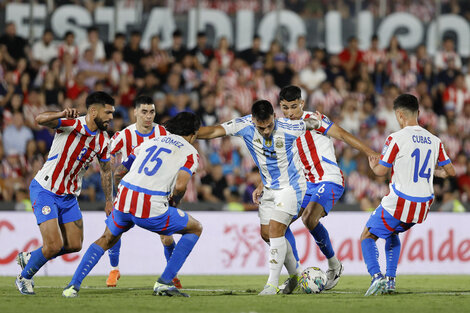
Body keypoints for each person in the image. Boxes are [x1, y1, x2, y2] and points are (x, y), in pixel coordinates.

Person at [62, 112, 202, 298]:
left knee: (106, 239)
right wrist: (175, 201)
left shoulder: (151, 141)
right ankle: (164, 282)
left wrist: (124, 193)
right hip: (150, 206)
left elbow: (120, 172)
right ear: (193, 134)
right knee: (195, 228)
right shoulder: (190, 152)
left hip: (125, 198)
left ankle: (72, 286)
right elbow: (181, 185)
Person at [258, 85, 377, 291]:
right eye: (285, 108)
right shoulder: (282, 128)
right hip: (304, 185)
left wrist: (370, 152)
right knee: (273, 229)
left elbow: (342, 135)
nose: (289, 112)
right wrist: (262, 183)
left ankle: (334, 264)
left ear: (301, 104)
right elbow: (278, 161)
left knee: (309, 218)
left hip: (328, 178)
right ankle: (295, 273)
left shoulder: (314, 119)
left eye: (294, 107)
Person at [197, 99, 322, 295]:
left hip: (292, 187)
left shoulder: (288, 126)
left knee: (275, 230)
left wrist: (316, 120)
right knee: (266, 234)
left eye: (269, 125)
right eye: (261, 127)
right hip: (269, 189)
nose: (266, 131)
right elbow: (213, 131)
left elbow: (311, 124)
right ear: (253, 119)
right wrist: (186, 134)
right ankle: (296, 275)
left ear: (274, 116)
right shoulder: (243, 125)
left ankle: (271, 285)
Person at [15, 91, 115, 295]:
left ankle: (31, 256)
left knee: (74, 244)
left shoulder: (104, 140)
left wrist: (108, 201)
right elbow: (39, 119)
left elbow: (105, 171)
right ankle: (24, 277)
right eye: (108, 113)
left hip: (69, 197)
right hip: (46, 190)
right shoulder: (72, 124)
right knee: (53, 245)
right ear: (93, 111)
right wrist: (60, 113)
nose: (111, 117)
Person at [361, 94, 455, 296]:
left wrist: (372, 165)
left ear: (399, 114)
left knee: (367, 236)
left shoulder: (395, 138)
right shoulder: (435, 140)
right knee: (391, 232)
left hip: (402, 201)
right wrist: (435, 171)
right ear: (418, 113)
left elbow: (380, 172)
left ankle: (377, 277)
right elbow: (452, 172)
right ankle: (391, 281)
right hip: (424, 206)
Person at [107, 95, 182, 288]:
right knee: (112, 232)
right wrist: (111, 195)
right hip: (128, 192)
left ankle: (171, 274)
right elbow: (105, 157)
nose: (149, 116)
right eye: (144, 112)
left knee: (166, 236)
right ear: (135, 113)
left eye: (152, 112)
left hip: (156, 192)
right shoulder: (124, 135)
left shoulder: (164, 132)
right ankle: (114, 269)